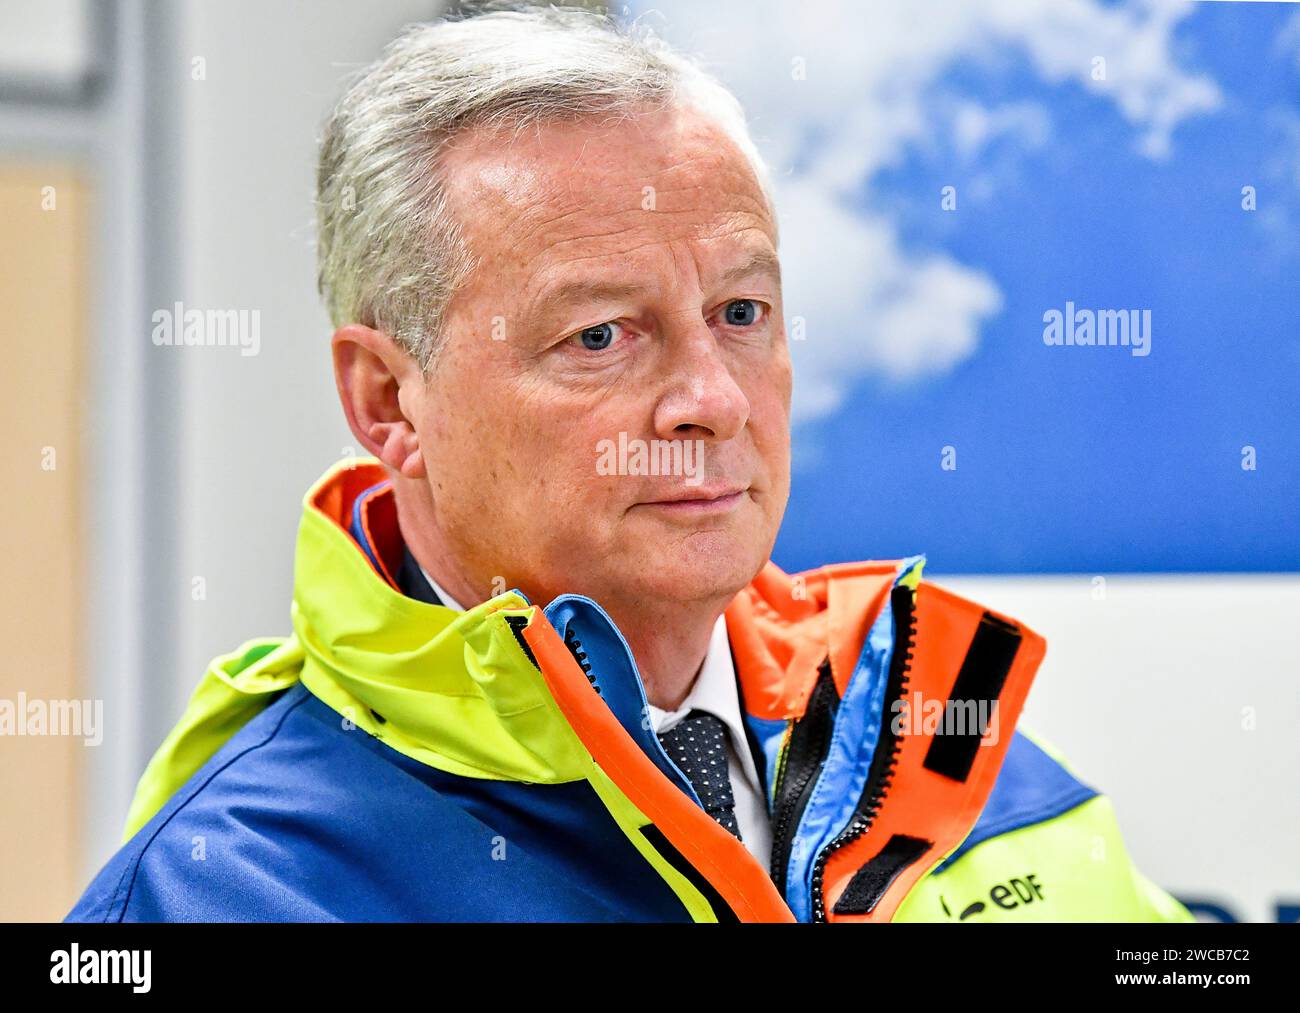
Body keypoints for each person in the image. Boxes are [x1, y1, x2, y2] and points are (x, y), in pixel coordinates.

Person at [68, 7, 1192, 923]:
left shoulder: (941, 744)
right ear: (385, 401)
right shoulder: (233, 885)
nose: (709, 397)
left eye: (740, 310)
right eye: (601, 334)